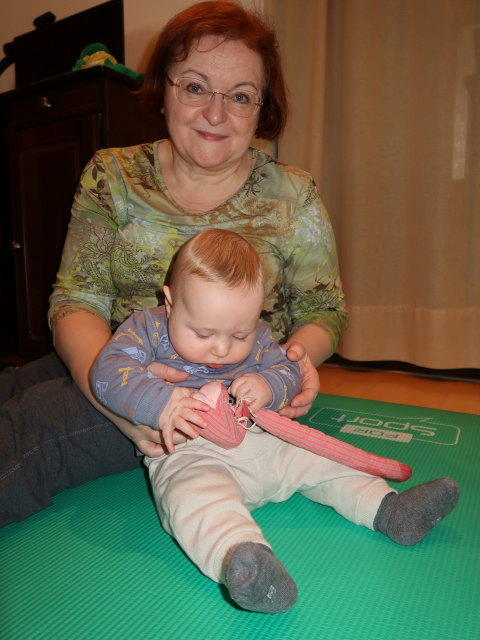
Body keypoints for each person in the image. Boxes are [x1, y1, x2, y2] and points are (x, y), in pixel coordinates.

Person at [0, 0, 346, 526]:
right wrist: (110, 390)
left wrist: (296, 363)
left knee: (30, 432)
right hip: (111, 356)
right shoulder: (111, 174)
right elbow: (77, 299)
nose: (215, 112)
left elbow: (326, 308)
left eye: (241, 96)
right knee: (14, 389)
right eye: (194, 86)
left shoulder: (292, 195)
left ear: (262, 109)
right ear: (163, 88)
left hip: (208, 393)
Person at [91, 229, 459, 614]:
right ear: (169, 303)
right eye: (202, 333)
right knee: (194, 501)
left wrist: (268, 386)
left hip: (266, 440)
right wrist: (161, 403)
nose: (221, 349)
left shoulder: (262, 337)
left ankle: (391, 510)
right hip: (191, 450)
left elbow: (287, 369)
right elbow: (106, 370)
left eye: (239, 334)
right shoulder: (145, 329)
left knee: (323, 460)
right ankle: (246, 564)